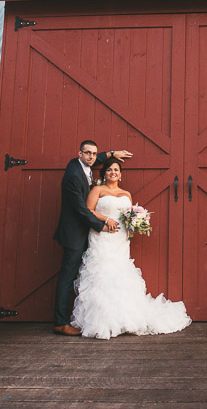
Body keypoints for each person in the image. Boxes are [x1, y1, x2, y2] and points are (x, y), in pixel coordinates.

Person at [71, 156, 191, 339]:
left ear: (120, 174)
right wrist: (106, 219)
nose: (113, 173)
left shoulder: (126, 194)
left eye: (116, 170)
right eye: (110, 170)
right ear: (104, 174)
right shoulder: (98, 189)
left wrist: (136, 224)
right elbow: (88, 210)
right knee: (102, 273)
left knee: (121, 275)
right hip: (102, 235)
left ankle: (124, 319)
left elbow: (128, 215)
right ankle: (103, 321)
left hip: (121, 239)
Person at [52, 140, 132, 336]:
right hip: (74, 234)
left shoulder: (83, 166)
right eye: (87, 153)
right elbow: (81, 209)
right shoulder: (73, 176)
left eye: (94, 154)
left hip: (104, 238)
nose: (91, 157)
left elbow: (98, 159)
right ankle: (61, 322)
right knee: (68, 276)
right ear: (79, 153)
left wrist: (111, 153)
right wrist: (103, 224)